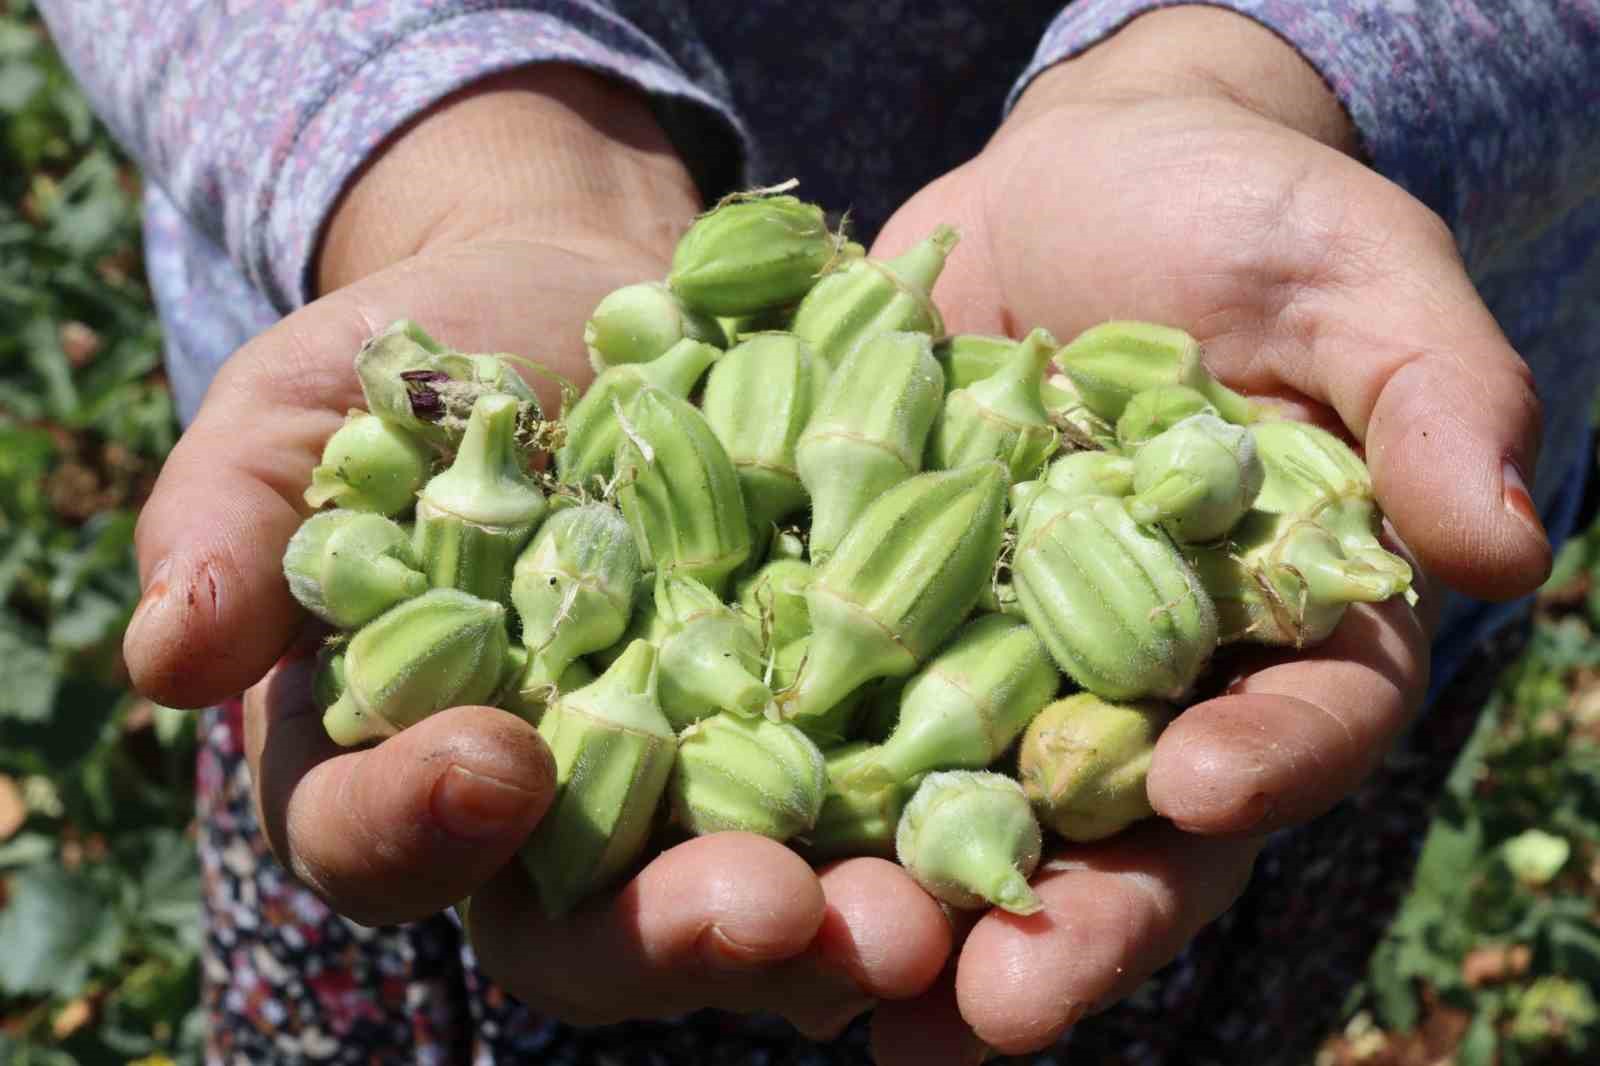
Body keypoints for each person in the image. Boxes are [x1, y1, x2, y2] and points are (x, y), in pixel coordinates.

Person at [36, 1, 1600, 1062]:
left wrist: (1242, 65)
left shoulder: (1010, 469)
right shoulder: (533, 525)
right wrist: (466, 154)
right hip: (433, 762)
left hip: (1201, 771)